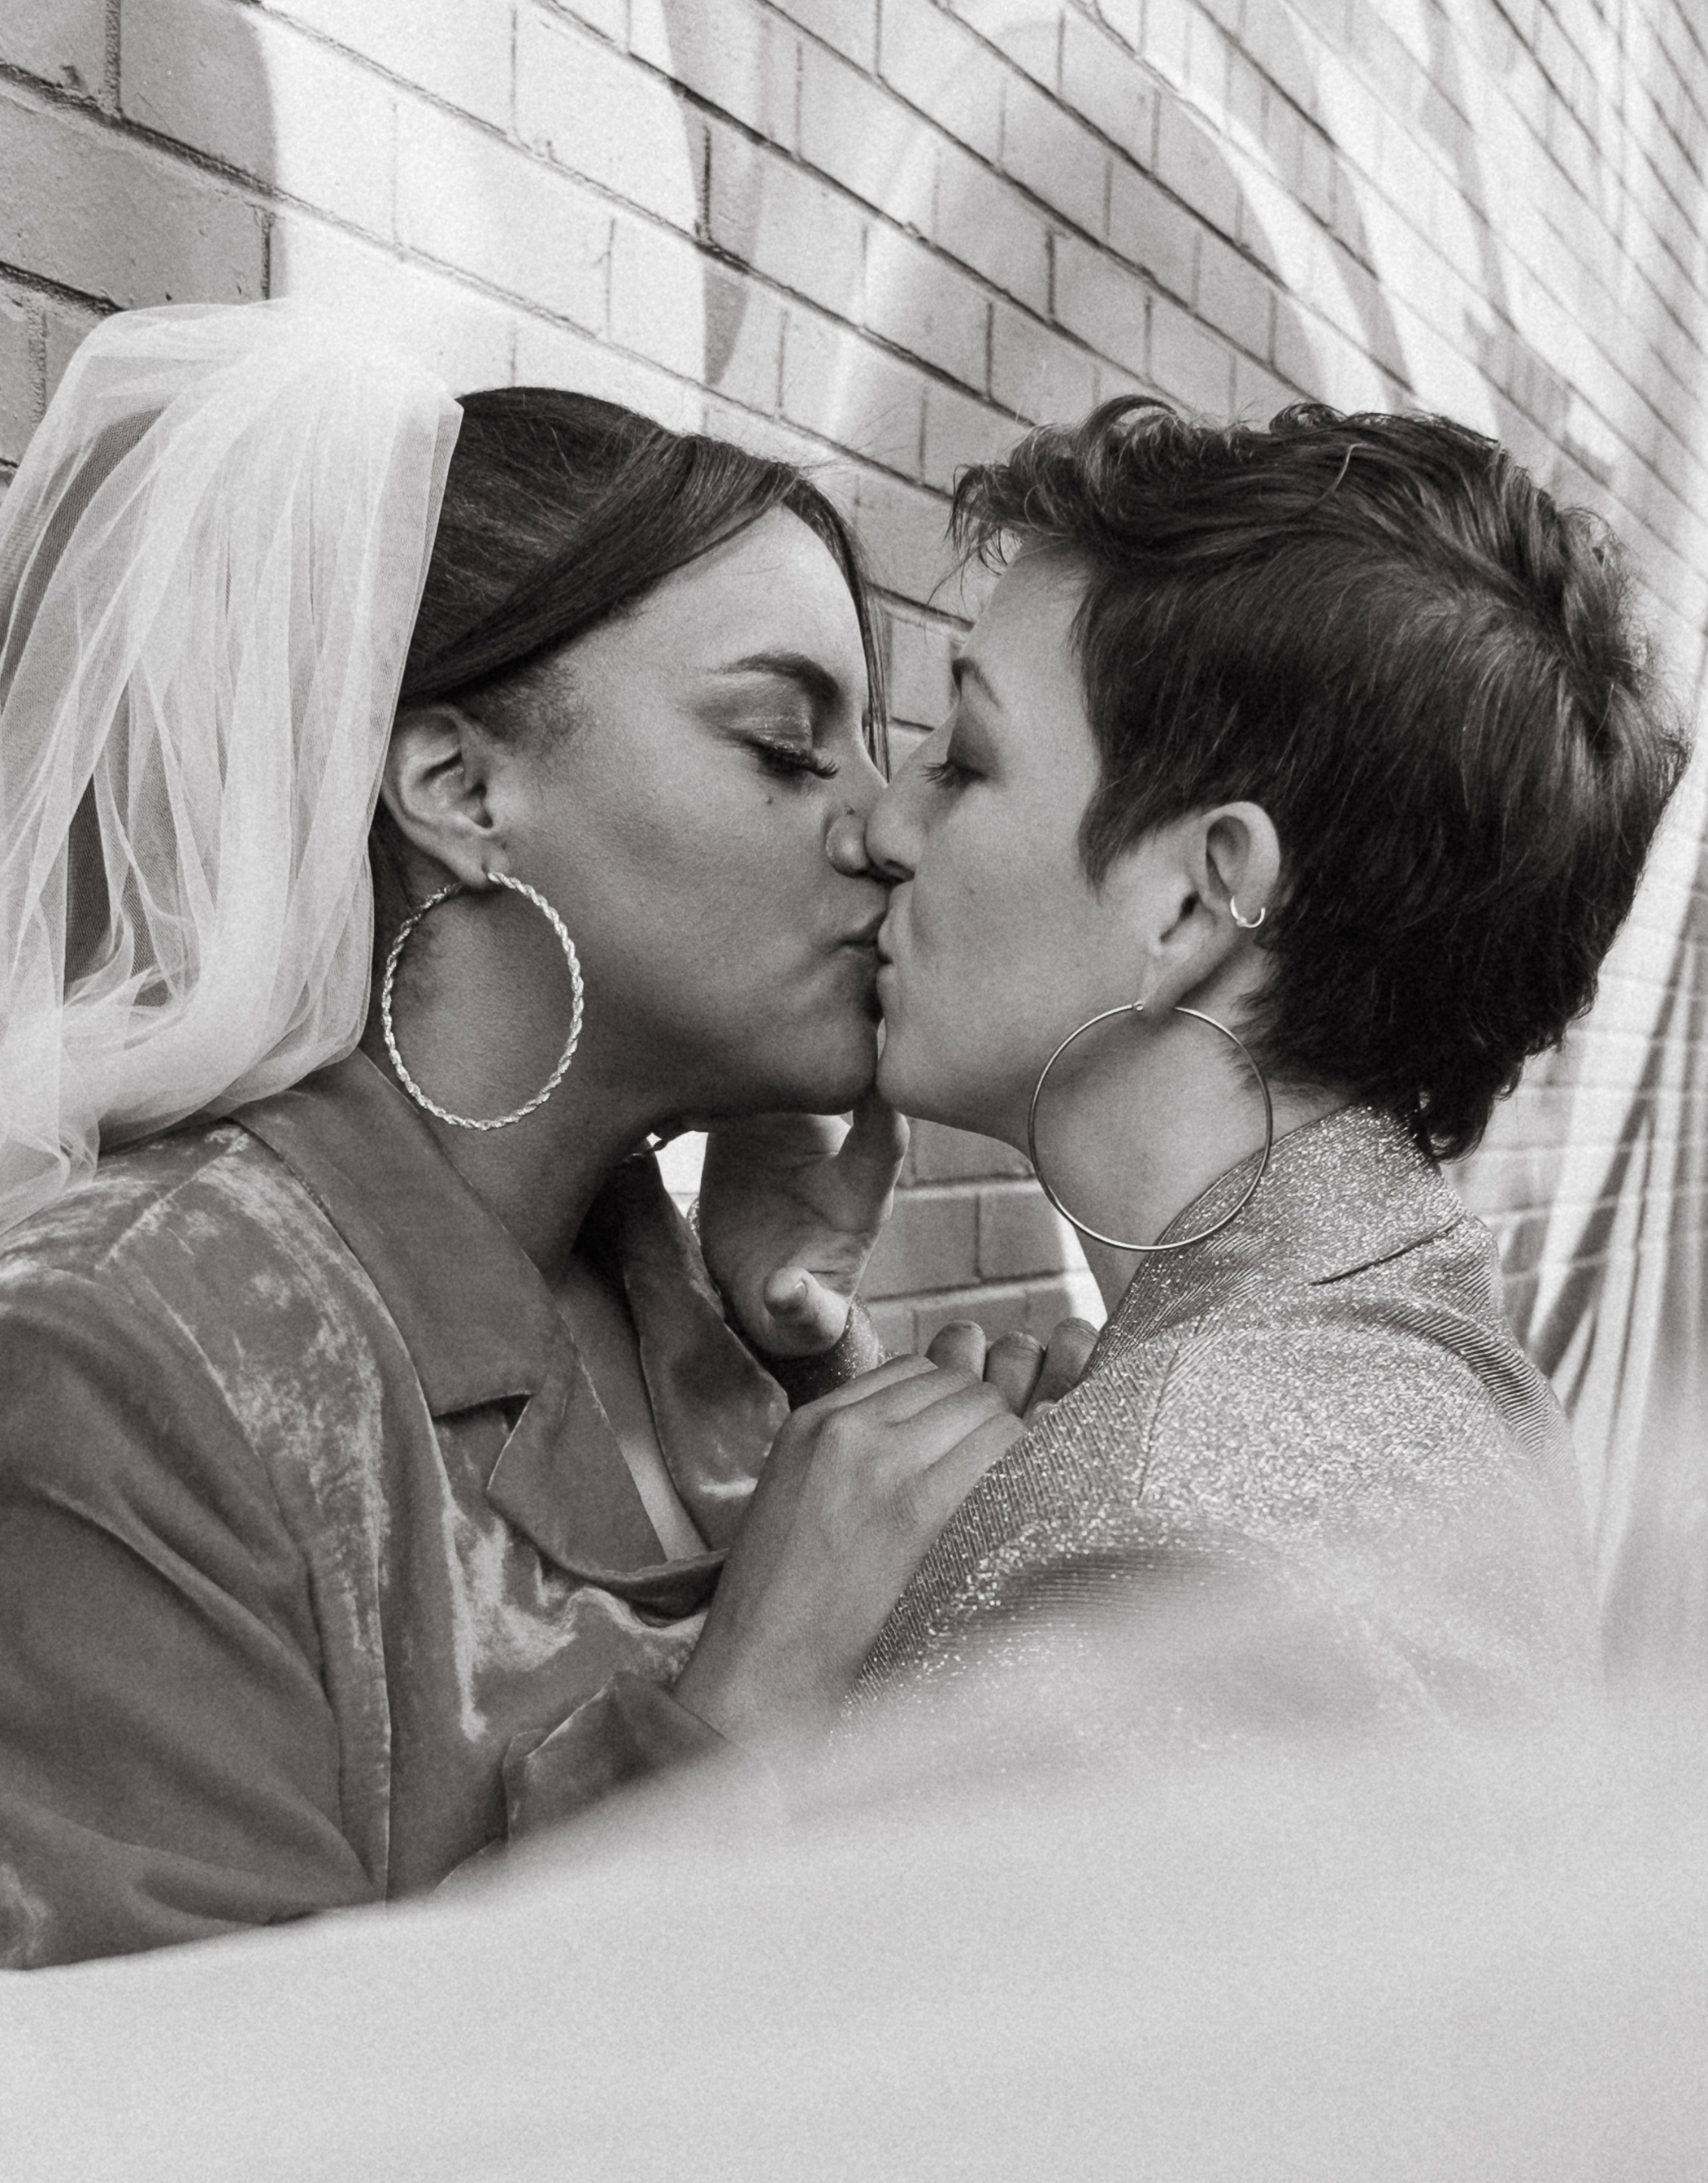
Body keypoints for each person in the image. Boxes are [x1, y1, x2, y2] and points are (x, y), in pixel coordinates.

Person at [0, 304, 1044, 2076]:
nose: (884, 827)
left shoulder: (703, 1326)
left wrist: (813, 1387)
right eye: (787, 748)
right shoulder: (106, 1354)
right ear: (459, 787)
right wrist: (738, 1708)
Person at [671, 398, 1688, 1750]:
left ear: (1196, 908)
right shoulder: (1407, 1356)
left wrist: (758, 1698)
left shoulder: (1150, 1550)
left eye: (965, 759)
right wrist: (839, 1388)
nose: (884, 821)